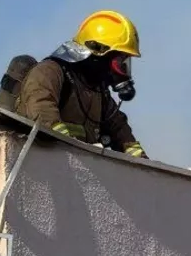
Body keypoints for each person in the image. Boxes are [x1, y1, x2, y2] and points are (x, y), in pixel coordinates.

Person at [15, 10, 147, 158]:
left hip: (74, 171)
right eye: (119, 63)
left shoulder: (97, 91)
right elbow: (42, 111)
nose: (121, 72)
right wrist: (68, 146)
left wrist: (144, 165)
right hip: (39, 161)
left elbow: (119, 128)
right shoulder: (49, 72)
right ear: (97, 51)